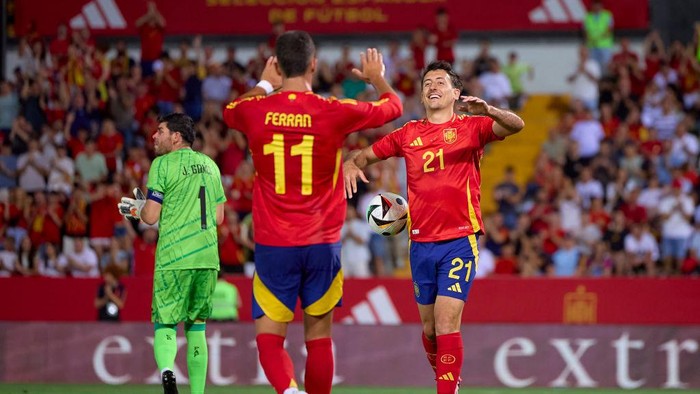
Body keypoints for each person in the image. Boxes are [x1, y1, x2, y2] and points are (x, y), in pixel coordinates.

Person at [223, 30, 402, 394]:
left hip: (275, 243)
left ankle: (289, 392)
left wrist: (262, 84)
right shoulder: (332, 110)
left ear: (277, 64)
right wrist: (376, 77)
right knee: (318, 339)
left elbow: (230, 112)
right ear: (313, 64)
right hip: (322, 242)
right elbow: (393, 107)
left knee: (270, 340)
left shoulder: (254, 110)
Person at [343, 60, 524, 394]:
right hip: (420, 244)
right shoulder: (408, 134)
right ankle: (449, 382)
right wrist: (351, 164)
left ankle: (446, 390)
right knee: (429, 329)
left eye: (441, 81)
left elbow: (517, 126)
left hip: (459, 240)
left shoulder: (474, 127)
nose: (432, 86)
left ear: (456, 93)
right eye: (427, 82)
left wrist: (491, 110)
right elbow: (364, 155)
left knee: (445, 323)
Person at [117, 113, 226, 394]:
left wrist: (136, 210)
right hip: (207, 259)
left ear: (175, 137)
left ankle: (167, 372)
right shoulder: (211, 165)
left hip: (174, 257)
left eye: (160, 131)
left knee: (165, 322)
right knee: (197, 327)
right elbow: (219, 215)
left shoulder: (162, 164)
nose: (154, 136)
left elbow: (151, 217)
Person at [583, 0, 614, 72]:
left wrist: (597, 38)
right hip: (592, 46)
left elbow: (609, 30)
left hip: (604, 46)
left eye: (598, 5)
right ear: (592, 6)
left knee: (606, 66)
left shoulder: (607, 15)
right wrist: (589, 39)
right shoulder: (588, 17)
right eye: (595, 5)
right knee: (593, 66)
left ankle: (605, 82)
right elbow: (585, 31)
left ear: (601, 6)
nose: (596, 7)